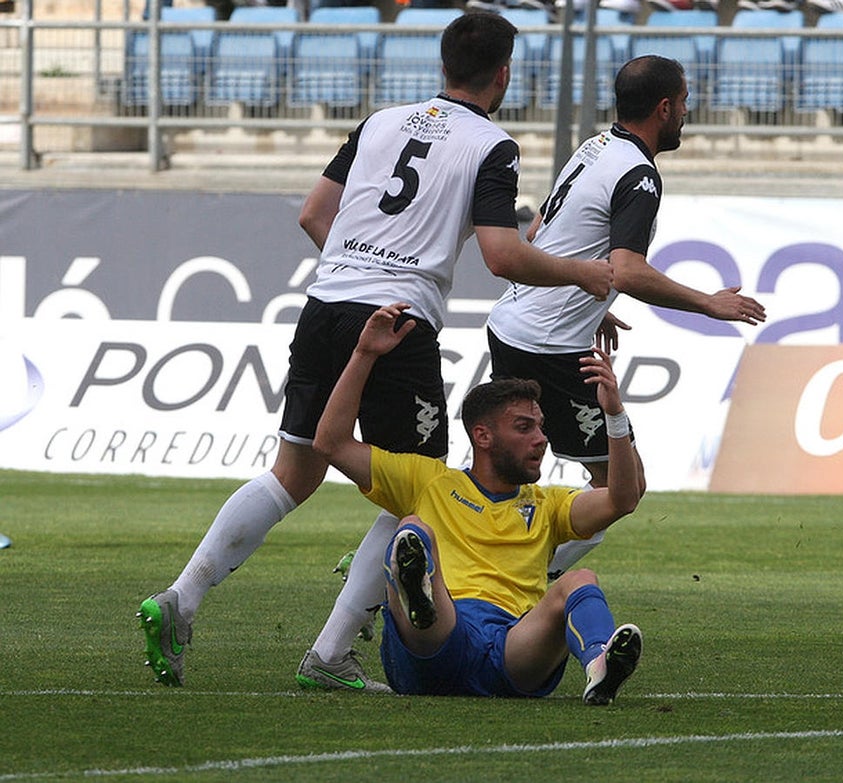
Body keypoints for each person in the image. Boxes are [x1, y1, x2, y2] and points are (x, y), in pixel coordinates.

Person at [136, 11, 614, 690]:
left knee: (291, 472)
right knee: (419, 492)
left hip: (326, 302)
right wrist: (583, 272)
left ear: (442, 63)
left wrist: (357, 272)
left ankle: (180, 599)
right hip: (397, 323)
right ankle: (330, 652)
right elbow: (504, 254)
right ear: (504, 73)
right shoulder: (493, 145)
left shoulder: (380, 121)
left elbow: (313, 214)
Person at [485, 54, 766, 578]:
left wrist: (589, 304)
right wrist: (709, 303)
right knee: (624, 485)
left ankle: (427, 540)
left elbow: (539, 232)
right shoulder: (639, 174)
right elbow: (629, 271)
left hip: (514, 324)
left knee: (508, 469)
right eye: (683, 102)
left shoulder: (593, 148)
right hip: (549, 347)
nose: (686, 112)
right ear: (664, 108)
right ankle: (516, 577)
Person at [313, 303, 645, 703]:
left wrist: (613, 414)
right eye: (524, 427)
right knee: (412, 528)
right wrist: (364, 354)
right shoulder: (429, 482)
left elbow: (623, 499)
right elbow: (331, 443)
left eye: (541, 427)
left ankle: (600, 666)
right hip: (439, 639)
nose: (541, 439)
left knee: (581, 579)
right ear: (483, 437)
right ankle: (420, 597)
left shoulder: (549, 504)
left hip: (512, 649)